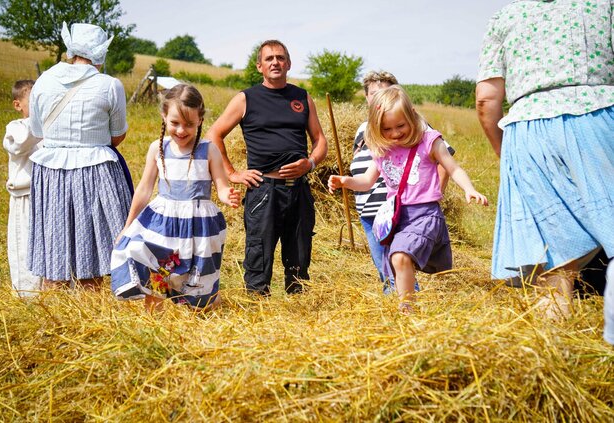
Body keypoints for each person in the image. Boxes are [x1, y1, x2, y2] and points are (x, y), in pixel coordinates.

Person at [475, 0, 614, 336]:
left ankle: (556, 357)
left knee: (554, 260)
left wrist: (505, 152)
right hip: (598, 117)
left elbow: (486, 101)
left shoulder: (506, 17)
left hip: (526, 131)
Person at [329, 85, 488, 311]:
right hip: (397, 217)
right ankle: (409, 310)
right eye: (387, 129)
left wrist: (469, 188)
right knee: (396, 263)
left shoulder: (429, 142)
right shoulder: (381, 149)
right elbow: (366, 182)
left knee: (400, 256)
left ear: (412, 115)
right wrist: (345, 181)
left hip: (424, 214)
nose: (395, 133)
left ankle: (406, 311)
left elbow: (453, 168)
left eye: (400, 125)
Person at [206, 40, 328, 296]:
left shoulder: (302, 97)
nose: (276, 62)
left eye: (281, 58)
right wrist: (232, 173)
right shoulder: (245, 98)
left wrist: (310, 163)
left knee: (300, 254)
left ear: (289, 64)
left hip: (299, 190)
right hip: (264, 190)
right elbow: (213, 135)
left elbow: (320, 140)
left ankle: (298, 306)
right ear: (259, 66)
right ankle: (258, 304)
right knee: (258, 254)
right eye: (270, 58)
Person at [110, 84, 240, 311]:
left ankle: (209, 309)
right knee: (157, 275)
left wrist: (228, 195)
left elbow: (221, 186)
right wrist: (128, 225)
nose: (181, 130)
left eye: (189, 124)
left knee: (200, 285)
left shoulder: (208, 150)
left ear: (200, 119)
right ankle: (155, 326)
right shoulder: (157, 149)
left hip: (199, 226)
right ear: (163, 116)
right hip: (164, 222)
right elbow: (144, 189)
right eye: (175, 123)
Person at [27, 22, 131, 290]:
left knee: (54, 251)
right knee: (93, 251)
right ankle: (89, 315)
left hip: (51, 172)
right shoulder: (110, 85)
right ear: (100, 54)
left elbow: (39, 131)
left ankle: (53, 314)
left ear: (71, 50)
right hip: (95, 171)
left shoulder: (43, 81)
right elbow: (117, 135)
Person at [352, 71, 455, 294]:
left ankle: (407, 307)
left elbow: (444, 159)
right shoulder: (365, 129)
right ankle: (397, 304)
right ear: (367, 97)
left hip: (404, 208)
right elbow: (365, 167)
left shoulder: (413, 125)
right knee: (385, 264)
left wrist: (435, 193)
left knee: (402, 258)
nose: (379, 98)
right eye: (373, 94)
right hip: (374, 212)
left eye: (386, 92)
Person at [2, 79, 42, 297]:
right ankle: (27, 293)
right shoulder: (16, 128)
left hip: (46, 194)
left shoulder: (45, 127)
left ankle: (48, 288)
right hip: (24, 195)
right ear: (18, 105)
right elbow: (21, 142)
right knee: (24, 243)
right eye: (33, 100)